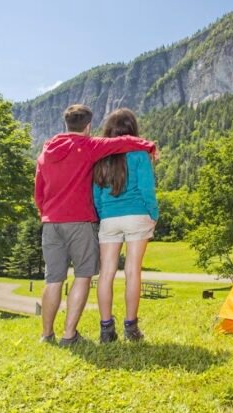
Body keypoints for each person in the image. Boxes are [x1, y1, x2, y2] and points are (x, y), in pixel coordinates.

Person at [34, 104, 156, 346]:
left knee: (57, 279)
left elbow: (40, 192)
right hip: (89, 220)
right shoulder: (90, 146)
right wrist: (148, 145)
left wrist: (46, 213)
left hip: (56, 222)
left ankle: (52, 334)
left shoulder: (45, 152)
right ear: (88, 126)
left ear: (65, 124)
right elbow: (127, 151)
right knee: (90, 275)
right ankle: (79, 334)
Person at [92, 108, 159, 343]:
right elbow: (146, 189)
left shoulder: (101, 157)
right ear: (132, 129)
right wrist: (154, 213)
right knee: (132, 271)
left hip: (109, 218)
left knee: (106, 273)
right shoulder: (140, 154)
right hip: (137, 215)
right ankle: (131, 327)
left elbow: (97, 194)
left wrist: (104, 215)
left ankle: (106, 329)